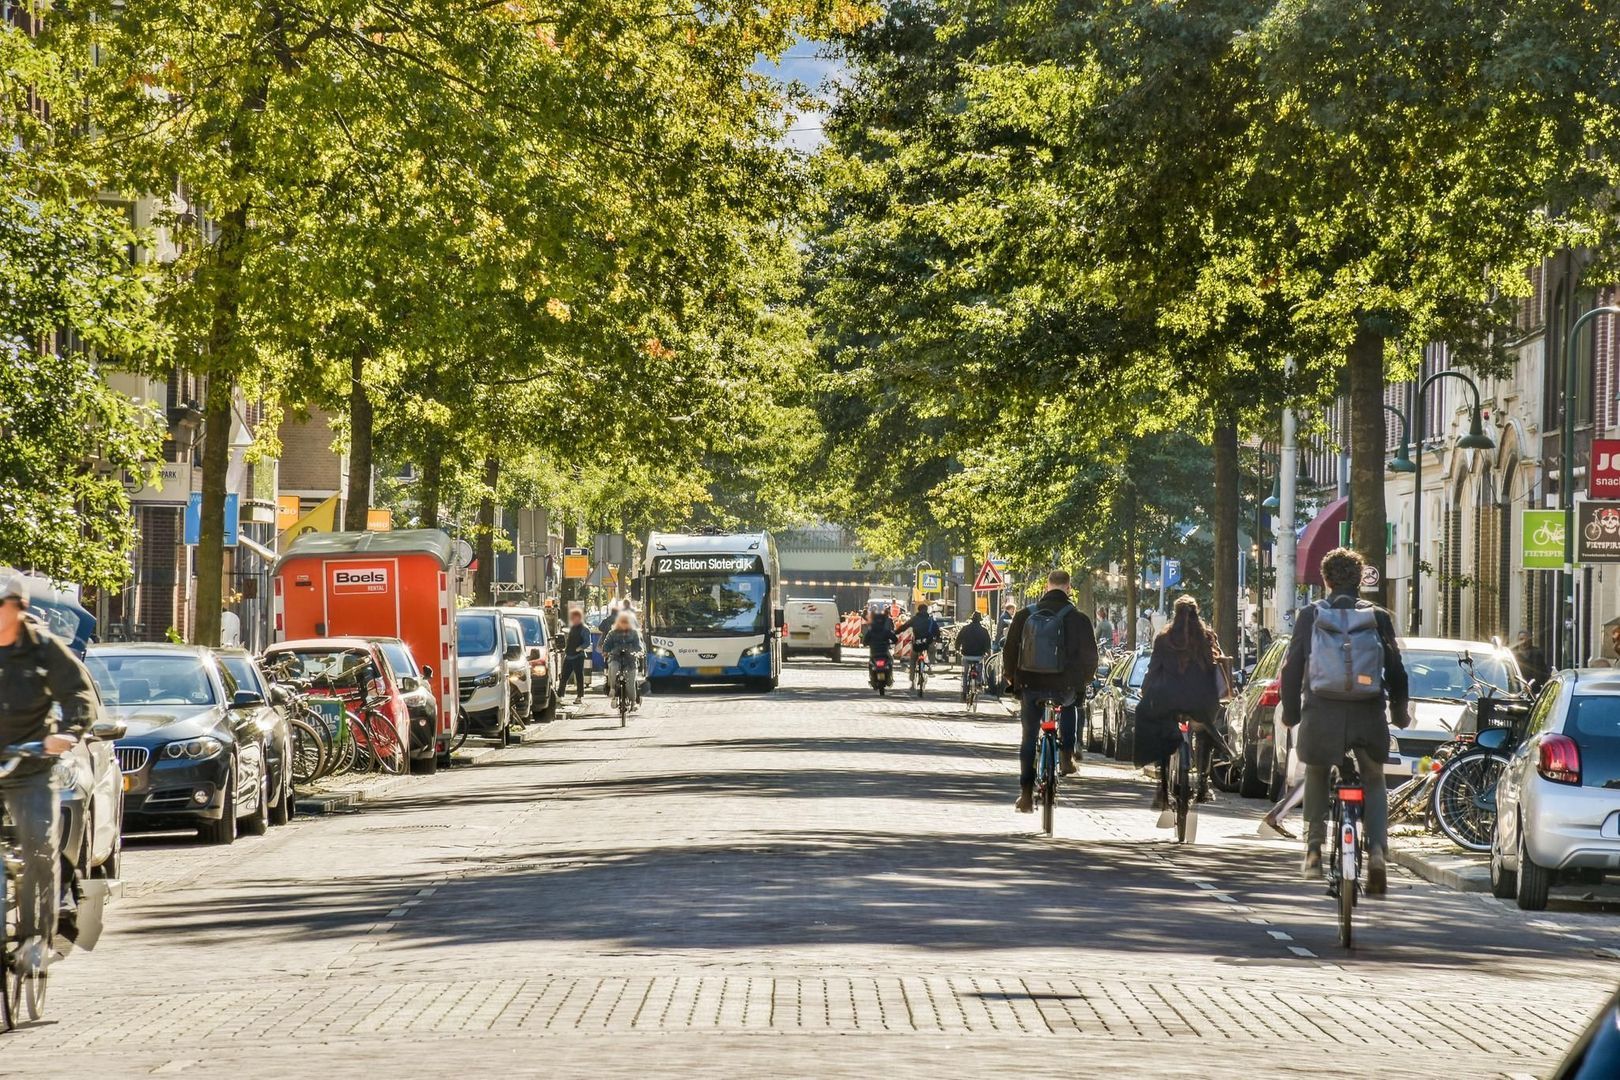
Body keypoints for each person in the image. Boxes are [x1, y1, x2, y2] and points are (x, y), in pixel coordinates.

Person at [1280, 547, 1409, 895]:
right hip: (1367, 712)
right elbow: (1396, 669)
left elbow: (1292, 668)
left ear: (1326, 580)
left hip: (1322, 712)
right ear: (1359, 581)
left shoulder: (1311, 615)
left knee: (1318, 770)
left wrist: (1291, 713)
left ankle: (1312, 848)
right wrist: (1399, 712)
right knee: (1374, 778)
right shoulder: (1378, 616)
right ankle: (1378, 851)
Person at [0, 568, 98, 975]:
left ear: (19, 608)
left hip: (31, 764)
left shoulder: (43, 649)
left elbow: (79, 694)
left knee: (39, 846)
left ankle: (35, 940)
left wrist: (68, 734)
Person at [1003, 571, 1098, 812]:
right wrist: (1083, 682)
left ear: (1047, 586)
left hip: (1030, 685)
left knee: (1028, 738)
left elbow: (1009, 651)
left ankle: (1025, 794)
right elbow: (1091, 657)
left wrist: (1012, 678)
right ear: (1068, 588)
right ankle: (1066, 756)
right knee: (1070, 704)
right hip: (1064, 686)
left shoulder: (1025, 615)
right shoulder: (1079, 619)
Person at [1136, 596, 1225, 809]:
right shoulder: (1207, 638)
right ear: (1197, 613)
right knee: (1204, 734)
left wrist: (1145, 691)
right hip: (1201, 701)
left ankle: (1162, 788)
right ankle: (1203, 785)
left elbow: (1154, 670)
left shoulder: (1163, 639)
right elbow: (1216, 667)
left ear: (1175, 613)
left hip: (1169, 699)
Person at [600, 610, 644, 710]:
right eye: (622, 621)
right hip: (616, 658)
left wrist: (638, 653)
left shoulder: (634, 633)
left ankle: (633, 701)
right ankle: (612, 689)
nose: (624, 624)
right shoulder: (612, 633)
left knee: (631, 681)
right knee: (613, 667)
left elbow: (639, 647)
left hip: (630, 661)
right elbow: (606, 645)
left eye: (626, 622)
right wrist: (606, 651)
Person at [897, 602, 941, 683]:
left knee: (913, 659)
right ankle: (930, 666)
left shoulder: (914, 619)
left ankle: (912, 677)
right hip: (928, 642)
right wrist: (937, 639)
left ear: (918, 610)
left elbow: (904, 626)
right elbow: (937, 631)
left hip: (917, 643)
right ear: (927, 610)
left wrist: (896, 632)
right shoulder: (930, 620)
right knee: (932, 650)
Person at [955, 611, 992, 700]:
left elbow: (958, 640)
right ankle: (979, 682)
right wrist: (987, 652)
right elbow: (988, 644)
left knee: (964, 674)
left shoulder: (965, 629)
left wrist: (957, 649)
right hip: (979, 656)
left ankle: (964, 692)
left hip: (966, 654)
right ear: (980, 620)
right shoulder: (984, 631)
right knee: (980, 667)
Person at [560, 607, 590, 704]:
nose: (573, 619)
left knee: (579, 677)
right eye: (572, 617)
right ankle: (560, 695)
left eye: (575, 617)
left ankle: (579, 697)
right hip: (569, 655)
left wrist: (579, 648)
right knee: (564, 676)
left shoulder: (584, 629)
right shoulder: (572, 628)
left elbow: (587, 643)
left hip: (578, 656)